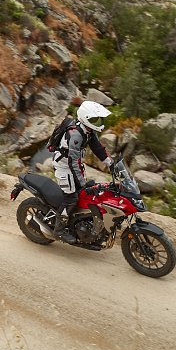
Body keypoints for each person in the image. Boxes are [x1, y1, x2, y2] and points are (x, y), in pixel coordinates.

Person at [51, 100, 114, 243]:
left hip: (74, 165)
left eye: (98, 119)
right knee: (71, 198)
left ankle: (77, 223)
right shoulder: (76, 135)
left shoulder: (88, 131)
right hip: (64, 167)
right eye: (94, 119)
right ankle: (58, 230)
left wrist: (111, 164)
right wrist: (82, 183)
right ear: (85, 118)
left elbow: (98, 148)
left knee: (85, 194)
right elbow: (72, 162)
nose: (98, 122)